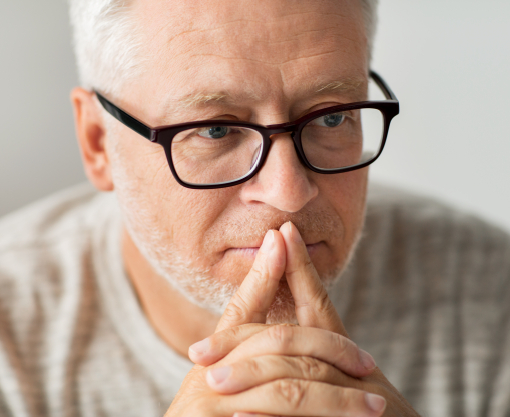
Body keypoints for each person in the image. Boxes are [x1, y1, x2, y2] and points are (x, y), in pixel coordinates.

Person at [0, 0, 509, 416]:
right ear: (96, 142)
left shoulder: (492, 294)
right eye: (216, 129)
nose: (289, 193)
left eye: (331, 119)